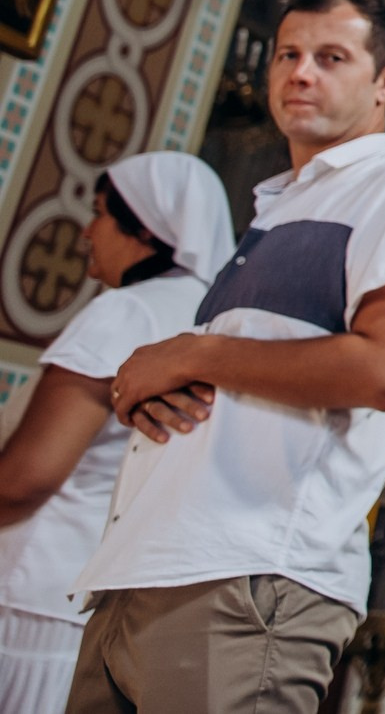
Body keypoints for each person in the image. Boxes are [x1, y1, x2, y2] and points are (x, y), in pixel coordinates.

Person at [67, 0, 385, 714]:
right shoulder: (279, 205)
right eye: (289, 54)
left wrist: (196, 353)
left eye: (331, 57)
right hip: (143, 568)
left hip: (251, 578)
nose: (300, 73)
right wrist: (156, 381)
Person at [0, 156, 232, 714]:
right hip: (110, 601)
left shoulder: (126, 313)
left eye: (101, 214)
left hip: (28, 596)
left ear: (146, 231)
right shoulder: (218, 323)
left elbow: (26, 478)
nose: (87, 231)